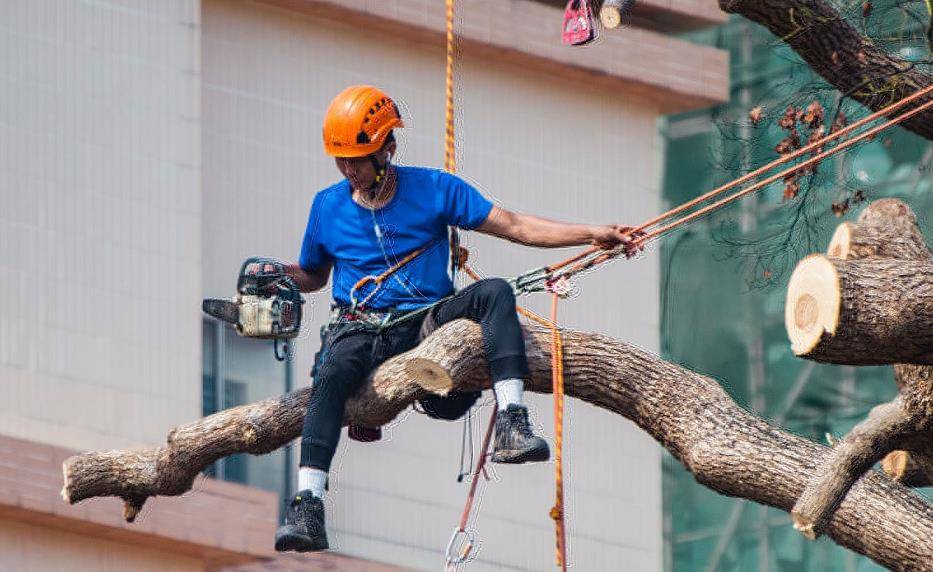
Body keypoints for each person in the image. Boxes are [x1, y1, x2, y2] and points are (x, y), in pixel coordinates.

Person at [272, 85, 637, 552]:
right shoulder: (327, 206)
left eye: (358, 159)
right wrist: (279, 274)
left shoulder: (434, 189)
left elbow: (517, 226)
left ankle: (513, 421)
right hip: (361, 326)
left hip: (426, 321)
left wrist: (591, 234)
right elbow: (314, 275)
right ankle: (308, 504)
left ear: (388, 148)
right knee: (330, 374)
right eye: (341, 160)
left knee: (494, 292)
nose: (349, 170)